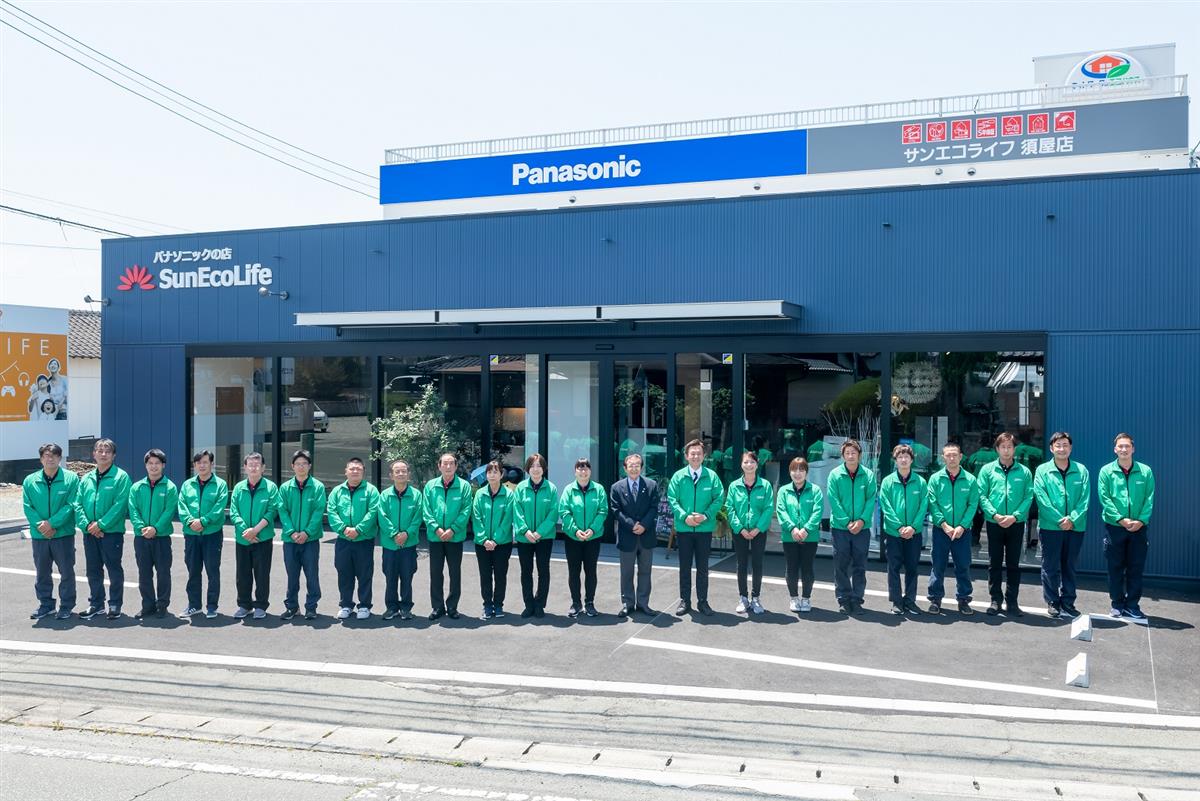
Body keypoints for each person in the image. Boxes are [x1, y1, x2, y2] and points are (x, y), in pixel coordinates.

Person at [1033, 432, 1090, 620]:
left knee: (1069, 566)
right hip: (1051, 526)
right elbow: (1041, 498)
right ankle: (1052, 601)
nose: (1062, 448)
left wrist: (1072, 519)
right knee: (1050, 566)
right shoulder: (1042, 470)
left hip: (1075, 527)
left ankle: (1068, 601)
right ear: (1051, 448)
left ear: (1070, 448)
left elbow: (1085, 499)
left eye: (1065, 445)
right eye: (1058, 445)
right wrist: (1059, 519)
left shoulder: (1081, 470)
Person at [1098, 433, 1155, 622]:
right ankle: (1116, 604)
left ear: (1133, 449)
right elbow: (1105, 499)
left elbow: (1149, 498)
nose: (1123, 449)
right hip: (1115, 527)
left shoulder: (1145, 471)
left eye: (1127, 446)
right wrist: (1121, 519)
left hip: (1139, 528)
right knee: (1115, 568)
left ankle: (1132, 605)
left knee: (1135, 568)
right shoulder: (1106, 471)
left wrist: (1140, 520)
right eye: (1120, 446)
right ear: (1115, 449)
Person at [977, 432, 1034, 617]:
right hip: (994, 523)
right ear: (997, 449)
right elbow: (982, 495)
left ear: (1014, 449)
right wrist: (994, 514)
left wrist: (1015, 516)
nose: (1006, 450)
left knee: (1013, 564)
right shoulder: (987, 470)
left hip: (1016, 524)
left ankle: (1012, 602)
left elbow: (1028, 496)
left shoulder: (1024, 472)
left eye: (1010, 447)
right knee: (994, 563)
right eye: (1003, 447)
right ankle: (995, 600)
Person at [75, 438, 131, 621]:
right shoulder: (87, 478)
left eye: (107, 451)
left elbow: (120, 505)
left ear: (113, 455)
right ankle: (96, 604)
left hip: (111, 533)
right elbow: (78, 504)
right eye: (99, 450)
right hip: (89, 533)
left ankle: (115, 604)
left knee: (113, 568)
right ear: (94, 454)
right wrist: (87, 525)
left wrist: (101, 525)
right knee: (93, 569)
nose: (103, 454)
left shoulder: (121, 477)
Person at [666, 439, 724, 616]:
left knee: (703, 568)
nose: (696, 456)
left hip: (704, 530)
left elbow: (719, 498)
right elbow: (672, 499)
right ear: (686, 456)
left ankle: (703, 602)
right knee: (684, 567)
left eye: (699, 453)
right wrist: (685, 517)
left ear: (704, 456)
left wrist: (705, 515)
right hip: (684, 529)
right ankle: (685, 600)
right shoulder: (678, 476)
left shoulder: (712, 476)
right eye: (692, 453)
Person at [22, 443, 79, 620]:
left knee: (66, 572)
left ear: (60, 458)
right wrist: (42, 526)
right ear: (41, 458)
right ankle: (46, 605)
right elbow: (27, 506)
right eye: (46, 455)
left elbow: (71, 504)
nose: (50, 458)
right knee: (42, 572)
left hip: (62, 534)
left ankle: (66, 606)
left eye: (54, 455)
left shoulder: (71, 479)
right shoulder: (30, 481)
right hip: (40, 536)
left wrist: (52, 524)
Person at [926, 442, 980, 616]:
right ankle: (935, 599)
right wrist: (944, 524)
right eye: (948, 455)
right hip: (941, 530)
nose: (951, 458)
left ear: (961, 456)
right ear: (943, 458)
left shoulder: (970, 480)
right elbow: (932, 503)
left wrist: (962, 526)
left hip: (962, 532)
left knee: (963, 565)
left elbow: (973, 504)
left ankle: (963, 599)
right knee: (938, 565)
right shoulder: (935, 479)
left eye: (954, 455)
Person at [827, 439, 878, 615]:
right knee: (840, 564)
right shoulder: (835, 474)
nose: (850, 456)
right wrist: (847, 522)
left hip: (862, 529)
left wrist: (862, 521)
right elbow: (834, 500)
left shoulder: (868, 475)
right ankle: (843, 598)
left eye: (854, 453)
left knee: (860, 565)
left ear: (860, 455)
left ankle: (857, 599)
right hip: (841, 528)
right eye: (847, 453)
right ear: (843, 456)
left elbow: (871, 499)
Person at [127, 449, 178, 620]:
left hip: (161, 537)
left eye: (157, 463)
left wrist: (155, 528)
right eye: (150, 463)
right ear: (146, 465)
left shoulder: (170, 487)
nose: (153, 466)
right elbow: (133, 510)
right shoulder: (137, 487)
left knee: (163, 572)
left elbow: (169, 511)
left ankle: (162, 605)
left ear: (163, 465)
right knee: (144, 573)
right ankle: (147, 605)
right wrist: (142, 528)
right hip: (141, 538)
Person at [328, 457, 381, 620]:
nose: (355, 471)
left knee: (364, 574)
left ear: (363, 471)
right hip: (343, 540)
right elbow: (332, 512)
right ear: (346, 471)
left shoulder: (371, 491)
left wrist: (358, 529)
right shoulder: (337, 491)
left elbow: (373, 512)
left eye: (358, 468)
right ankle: (346, 605)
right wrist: (344, 529)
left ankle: (364, 606)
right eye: (352, 468)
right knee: (344, 573)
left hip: (363, 540)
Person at [177, 450, 228, 619]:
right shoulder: (187, 485)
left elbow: (219, 508)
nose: (202, 465)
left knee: (212, 570)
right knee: (193, 571)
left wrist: (203, 522)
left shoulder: (220, 484)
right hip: (191, 534)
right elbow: (182, 506)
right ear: (194, 465)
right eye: (199, 462)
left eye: (205, 462)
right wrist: (191, 522)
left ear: (212, 464)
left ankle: (212, 606)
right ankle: (194, 605)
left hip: (212, 534)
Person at [879, 444, 928, 615]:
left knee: (912, 568)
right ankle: (896, 601)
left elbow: (923, 506)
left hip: (914, 533)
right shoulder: (887, 482)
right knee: (893, 567)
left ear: (912, 460)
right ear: (895, 460)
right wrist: (900, 527)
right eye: (900, 456)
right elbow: (886, 506)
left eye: (907, 456)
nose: (903, 459)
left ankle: (910, 600)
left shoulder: (920, 482)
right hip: (894, 533)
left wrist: (912, 527)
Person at [422, 452, 472, 620]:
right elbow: (426, 510)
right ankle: (437, 607)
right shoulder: (430, 486)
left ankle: (452, 607)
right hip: (435, 537)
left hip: (455, 537)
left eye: (451, 463)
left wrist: (452, 529)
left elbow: (466, 510)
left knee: (454, 573)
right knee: (435, 573)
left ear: (456, 466)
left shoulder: (464, 486)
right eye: (445, 463)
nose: (448, 466)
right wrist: (436, 528)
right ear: (439, 466)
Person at [229, 452, 279, 621]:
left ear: (263, 468)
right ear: (245, 467)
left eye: (257, 464)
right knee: (242, 574)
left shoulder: (270, 487)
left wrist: (255, 530)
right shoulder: (238, 488)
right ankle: (244, 605)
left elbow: (272, 511)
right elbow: (234, 511)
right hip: (243, 538)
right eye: (250, 464)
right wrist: (246, 531)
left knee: (262, 573)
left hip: (262, 538)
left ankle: (260, 605)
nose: (254, 467)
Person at [277, 449, 326, 621]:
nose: (301, 466)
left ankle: (311, 607)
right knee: (292, 574)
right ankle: (292, 607)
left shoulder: (318, 487)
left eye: (304, 463)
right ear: (292, 466)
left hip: (310, 540)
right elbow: (282, 511)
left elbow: (318, 511)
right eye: (298, 464)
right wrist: (291, 532)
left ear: (309, 466)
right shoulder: (285, 488)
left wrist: (306, 532)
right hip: (290, 540)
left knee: (312, 574)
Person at [609, 452, 659, 617]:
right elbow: (616, 510)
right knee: (627, 572)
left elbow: (654, 508)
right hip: (627, 536)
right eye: (631, 465)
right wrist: (632, 525)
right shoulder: (616, 487)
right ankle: (627, 603)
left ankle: (643, 603)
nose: (634, 468)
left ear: (641, 467)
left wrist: (643, 525)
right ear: (625, 468)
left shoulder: (651, 485)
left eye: (637, 465)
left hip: (646, 535)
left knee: (645, 571)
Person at [724, 450, 774, 615]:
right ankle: (743, 598)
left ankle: (756, 598)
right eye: (746, 462)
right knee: (742, 564)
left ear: (757, 464)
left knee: (757, 564)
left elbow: (768, 508)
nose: (749, 465)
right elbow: (730, 508)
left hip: (759, 531)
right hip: (740, 532)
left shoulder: (765, 485)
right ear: (741, 465)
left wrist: (758, 528)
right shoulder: (734, 486)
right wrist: (740, 528)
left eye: (752, 462)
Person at [559, 457, 608, 618]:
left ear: (590, 471)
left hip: (593, 538)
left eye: (586, 467)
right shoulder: (568, 490)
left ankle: (589, 603)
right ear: (575, 471)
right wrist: (575, 530)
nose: (583, 470)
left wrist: (592, 530)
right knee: (574, 571)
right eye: (580, 468)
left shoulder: (598, 489)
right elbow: (564, 512)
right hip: (573, 538)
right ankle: (576, 603)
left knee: (590, 571)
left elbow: (603, 511)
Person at [512, 453, 557, 618]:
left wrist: (539, 532)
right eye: (532, 466)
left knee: (543, 570)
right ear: (527, 469)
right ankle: (528, 604)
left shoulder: (551, 488)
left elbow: (553, 514)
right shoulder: (521, 488)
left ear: (544, 468)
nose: (536, 469)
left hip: (544, 538)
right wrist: (525, 531)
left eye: (539, 466)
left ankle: (540, 604)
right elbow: (517, 512)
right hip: (525, 538)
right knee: (526, 571)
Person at [377, 459, 423, 621]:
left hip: (408, 545)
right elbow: (382, 517)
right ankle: (391, 608)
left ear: (408, 474)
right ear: (391, 475)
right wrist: (394, 534)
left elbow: (417, 518)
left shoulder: (416, 495)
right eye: (397, 471)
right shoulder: (385, 495)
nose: (401, 473)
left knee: (407, 577)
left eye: (404, 471)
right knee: (390, 577)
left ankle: (406, 608)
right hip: (390, 545)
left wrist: (406, 534)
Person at [776, 457, 823, 612]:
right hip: (790, 536)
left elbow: (818, 511)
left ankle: (806, 599)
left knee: (807, 568)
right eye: (794, 470)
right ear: (789, 472)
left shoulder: (815, 490)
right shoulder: (783, 490)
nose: (797, 473)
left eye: (801, 470)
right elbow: (781, 511)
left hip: (810, 537)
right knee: (791, 568)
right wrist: (793, 529)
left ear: (806, 472)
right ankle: (794, 598)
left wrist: (806, 529)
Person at [473, 460, 514, 619]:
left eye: (495, 472)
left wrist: (495, 540)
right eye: (489, 472)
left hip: (502, 543)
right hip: (482, 544)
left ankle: (498, 605)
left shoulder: (509, 494)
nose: (492, 475)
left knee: (500, 574)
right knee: (485, 575)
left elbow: (507, 519)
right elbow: (476, 518)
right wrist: (484, 539)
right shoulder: (479, 494)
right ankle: (487, 605)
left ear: (501, 475)